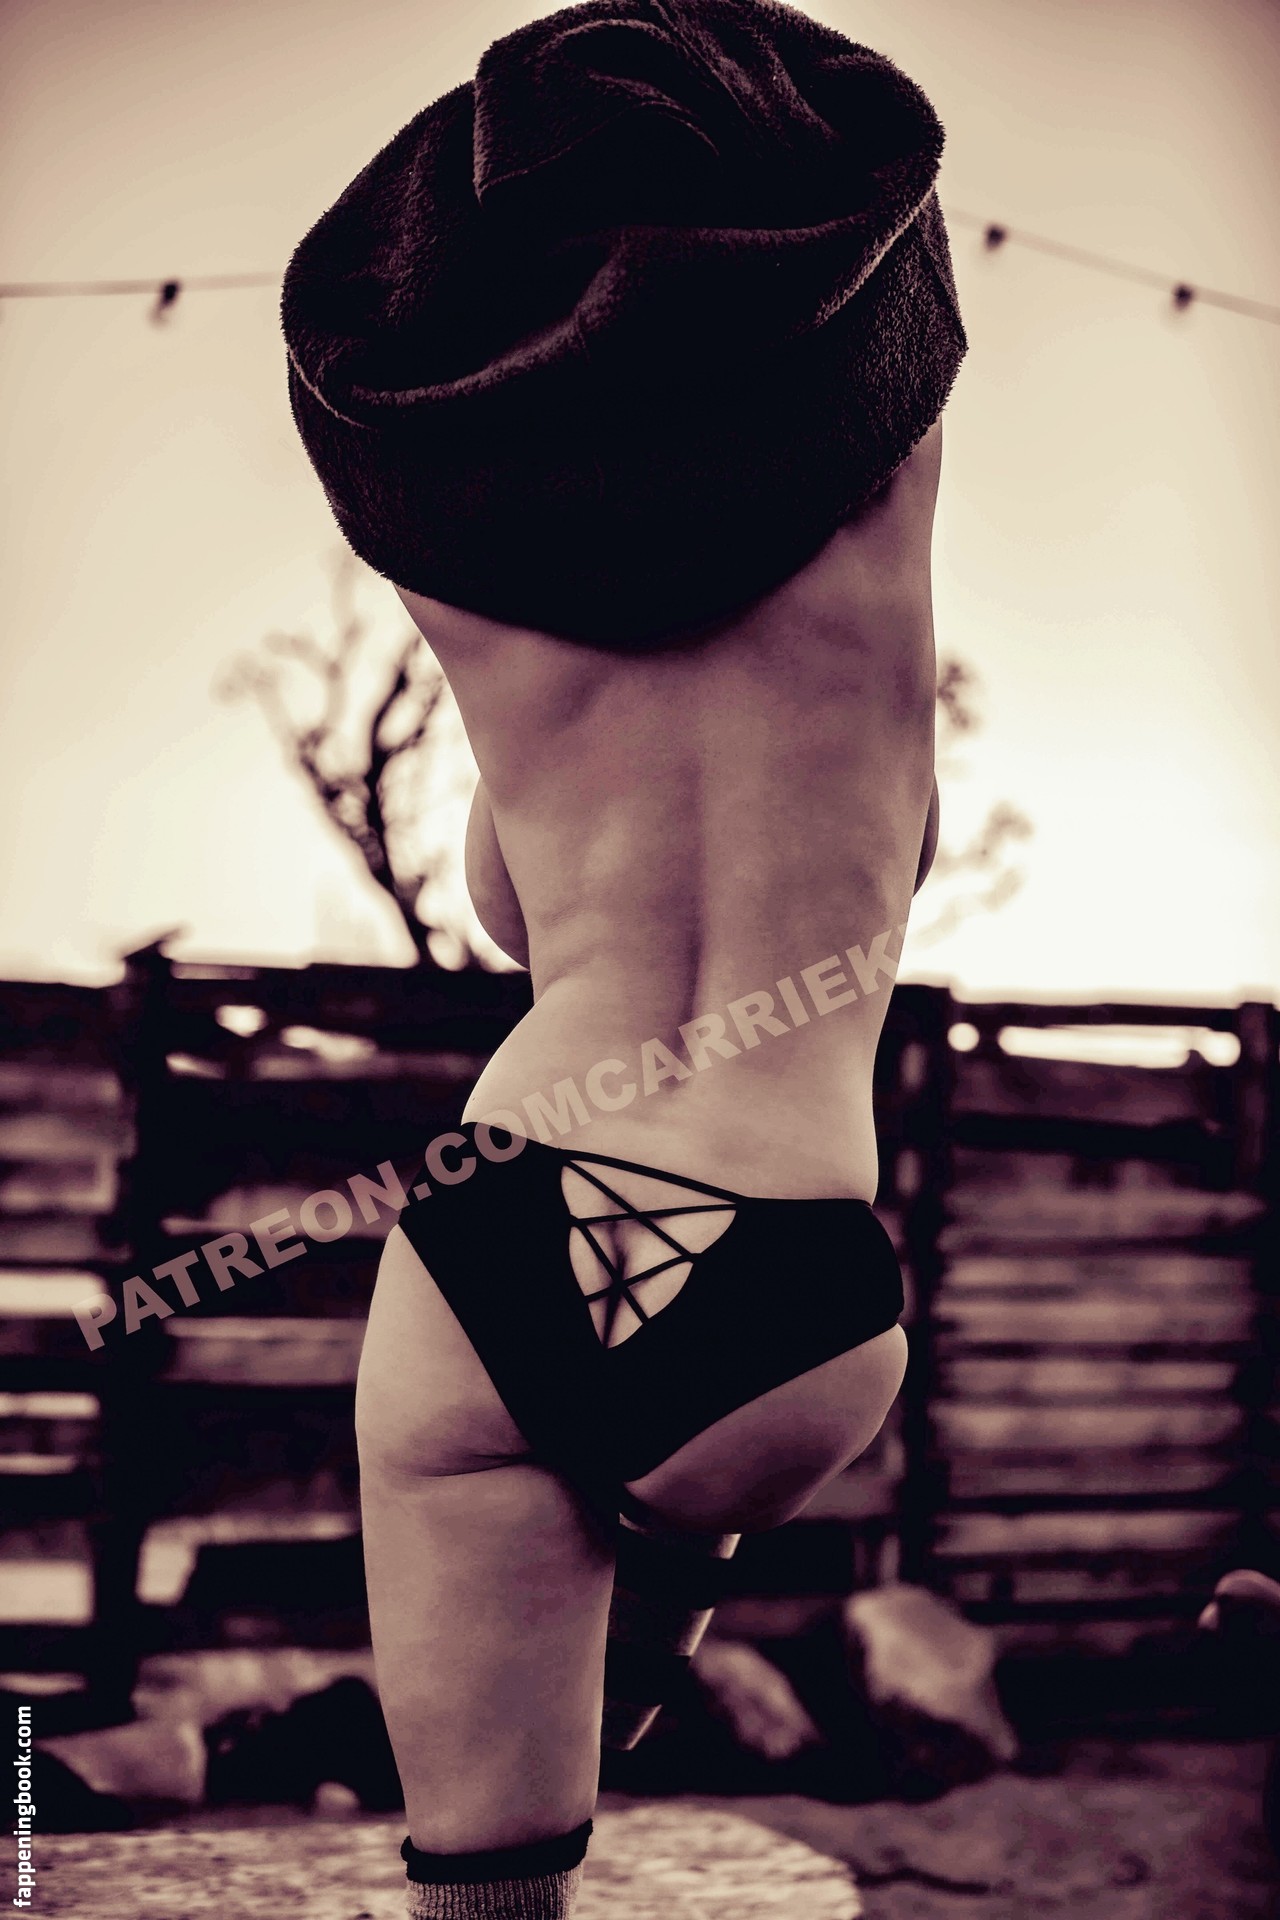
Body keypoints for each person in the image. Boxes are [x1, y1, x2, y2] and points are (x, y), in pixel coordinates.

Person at [281, 3, 966, 1913]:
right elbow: (901, 850)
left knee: (486, 1885)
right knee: (659, 1535)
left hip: (520, 1217)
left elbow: (514, 915)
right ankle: (658, 1603)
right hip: (795, 1278)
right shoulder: (881, 495)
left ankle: (521, 1808)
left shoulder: (471, 547)